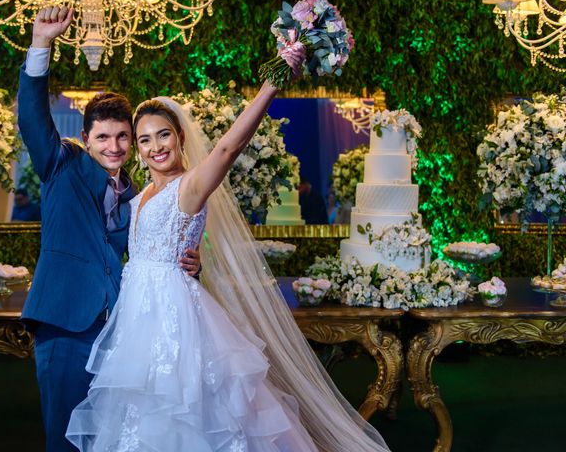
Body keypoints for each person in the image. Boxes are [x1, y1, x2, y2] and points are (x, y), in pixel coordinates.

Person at [65, 30, 389, 452]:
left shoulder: (191, 185)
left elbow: (227, 148)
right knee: (139, 418)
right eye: (144, 139)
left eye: (163, 134)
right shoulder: (140, 192)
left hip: (176, 316)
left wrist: (272, 83)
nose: (154, 146)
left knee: (191, 415)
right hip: (137, 317)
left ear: (180, 137)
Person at [17, 6, 201, 452]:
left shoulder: (140, 193)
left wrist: (192, 262)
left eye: (123, 137)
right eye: (102, 137)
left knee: (108, 436)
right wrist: (41, 43)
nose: (114, 146)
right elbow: (30, 118)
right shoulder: (62, 164)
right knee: (64, 436)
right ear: (84, 137)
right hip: (63, 323)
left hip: (119, 329)